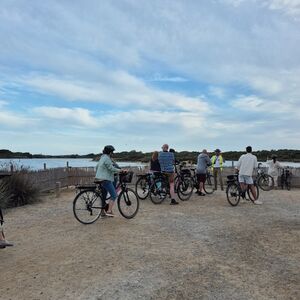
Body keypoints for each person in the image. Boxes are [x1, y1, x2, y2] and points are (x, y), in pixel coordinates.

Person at [95, 145, 124, 217]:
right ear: (110, 152)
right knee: (114, 195)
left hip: (99, 178)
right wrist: (120, 170)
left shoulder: (102, 157)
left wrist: (100, 174)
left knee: (103, 196)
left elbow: (97, 167)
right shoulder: (108, 158)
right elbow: (112, 168)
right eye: (112, 152)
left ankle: (103, 212)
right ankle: (109, 211)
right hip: (106, 179)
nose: (113, 153)